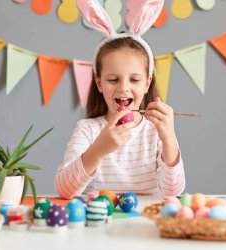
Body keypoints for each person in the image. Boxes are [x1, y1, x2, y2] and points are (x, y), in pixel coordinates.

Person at [55, 0, 185, 199]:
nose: (123, 87)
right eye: (113, 79)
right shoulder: (87, 130)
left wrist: (169, 138)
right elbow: (64, 190)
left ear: (147, 83)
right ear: (99, 83)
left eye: (134, 79)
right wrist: (98, 150)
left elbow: (173, 191)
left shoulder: (154, 131)